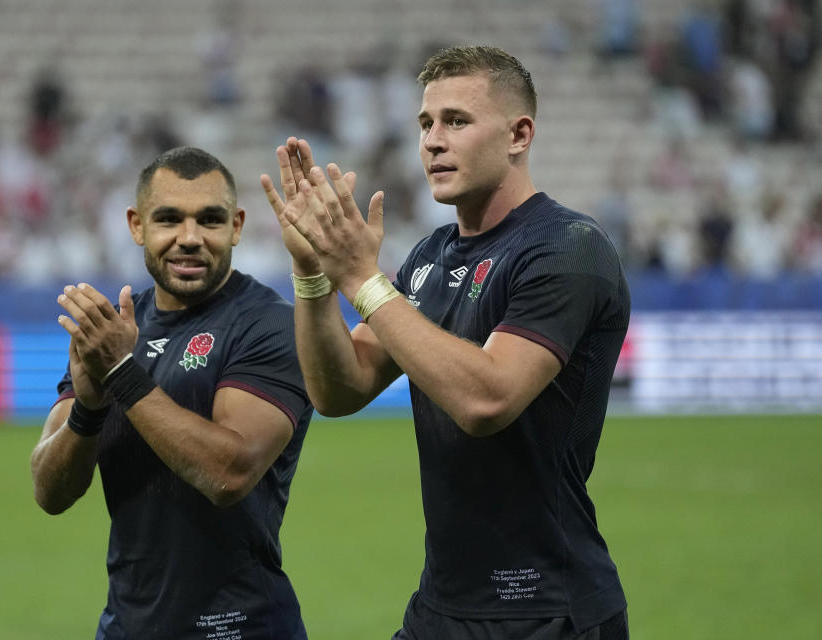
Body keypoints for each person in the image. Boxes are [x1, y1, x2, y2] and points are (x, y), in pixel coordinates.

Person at [261, 46, 630, 639]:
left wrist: (360, 278)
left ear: (519, 134)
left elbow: (487, 401)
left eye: (456, 121)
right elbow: (340, 388)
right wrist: (313, 276)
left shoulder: (567, 248)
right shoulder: (430, 255)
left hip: (545, 610)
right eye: (425, 124)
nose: (433, 141)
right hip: (441, 605)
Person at [31, 146, 313, 640]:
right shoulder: (113, 330)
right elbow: (49, 492)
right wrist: (89, 412)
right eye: (169, 219)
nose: (189, 238)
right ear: (137, 226)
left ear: (238, 226)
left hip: (238, 628)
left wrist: (121, 372)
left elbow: (228, 473)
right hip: (127, 626)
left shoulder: (268, 326)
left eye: (209, 219)